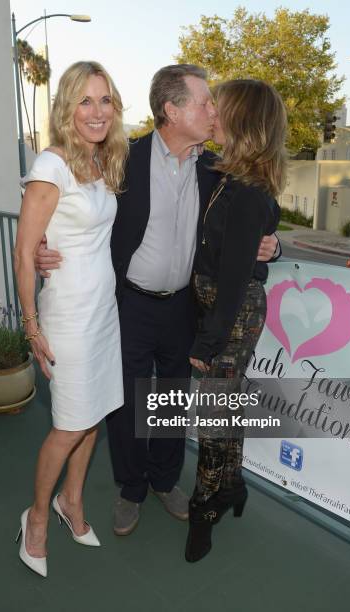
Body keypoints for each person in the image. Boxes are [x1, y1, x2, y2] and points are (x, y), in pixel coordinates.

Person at [35, 64, 280, 537]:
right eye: (204, 102)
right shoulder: (124, 157)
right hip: (128, 303)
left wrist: (272, 244)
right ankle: (130, 489)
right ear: (172, 109)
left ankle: (166, 480)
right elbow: (75, 206)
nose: (213, 111)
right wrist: (43, 246)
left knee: (170, 395)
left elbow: (259, 212)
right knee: (124, 400)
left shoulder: (216, 167)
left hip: (184, 306)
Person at [13, 61, 128, 577]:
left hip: (104, 312)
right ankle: (36, 519)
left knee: (94, 417)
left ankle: (72, 502)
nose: (97, 111)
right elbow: (22, 254)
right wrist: (31, 326)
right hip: (68, 317)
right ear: (66, 107)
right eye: (85, 100)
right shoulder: (51, 166)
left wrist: (47, 246)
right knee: (66, 426)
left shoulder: (102, 163)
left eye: (104, 100)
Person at [185, 79, 287, 562]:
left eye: (218, 107)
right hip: (221, 311)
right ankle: (233, 486)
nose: (211, 114)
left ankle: (204, 506)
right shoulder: (222, 170)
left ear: (242, 121)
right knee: (225, 411)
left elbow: (231, 282)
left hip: (233, 316)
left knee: (210, 417)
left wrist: (206, 343)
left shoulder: (249, 191)